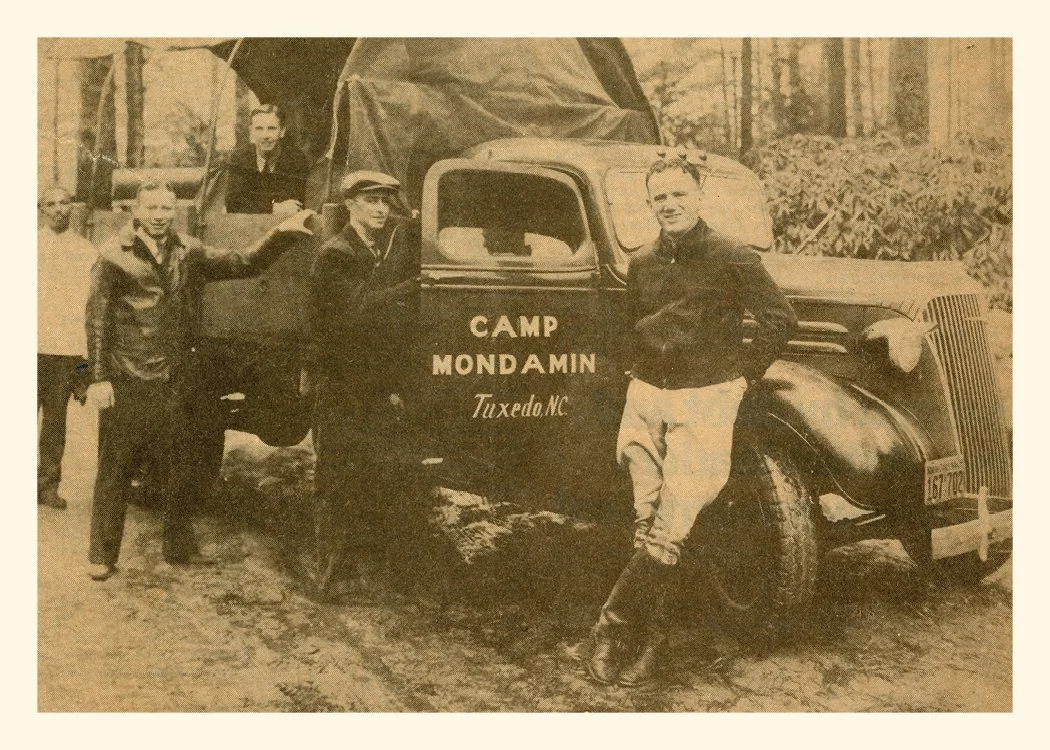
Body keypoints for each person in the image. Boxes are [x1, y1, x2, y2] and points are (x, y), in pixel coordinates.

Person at [585, 157, 798, 687]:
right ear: (649, 203)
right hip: (646, 398)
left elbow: (780, 318)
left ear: (699, 196)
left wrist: (740, 377)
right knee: (647, 524)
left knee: (670, 529)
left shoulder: (732, 256)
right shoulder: (642, 261)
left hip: (704, 401)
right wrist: (636, 378)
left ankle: (613, 630)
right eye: (660, 197)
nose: (670, 205)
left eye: (679, 194)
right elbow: (631, 327)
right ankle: (651, 637)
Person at [84, 180, 315, 581]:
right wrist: (100, 378)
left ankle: (177, 547)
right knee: (116, 468)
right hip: (131, 378)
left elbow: (243, 262)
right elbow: (97, 322)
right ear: (136, 211)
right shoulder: (112, 256)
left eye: (166, 209)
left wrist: (281, 233)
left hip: (177, 379)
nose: (159, 216)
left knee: (180, 466)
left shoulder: (188, 251)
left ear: (175, 211)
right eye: (152, 208)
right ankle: (102, 555)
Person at [304, 170, 420, 597]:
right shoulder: (337, 254)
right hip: (340, 386)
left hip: (369, 386)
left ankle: (362, 570)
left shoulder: (375, 250)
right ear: (350, 204)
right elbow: (357, 312)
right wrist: (412, 287)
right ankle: (331, 579)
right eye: (371, 200)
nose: (380, 209)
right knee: (336, 480)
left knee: (369, 476)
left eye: (385, 201)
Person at [38, 186, 97, 510]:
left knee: (55, 423)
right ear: (42, 210)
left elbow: (89, 307)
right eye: (51, 204)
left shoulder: (85, 250)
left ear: (72, 208)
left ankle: (47, 486)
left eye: (64, 203)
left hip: (64, 351)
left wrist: (84, 365)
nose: (59, 209)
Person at [225, 104, 309, 216]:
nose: (265, 136)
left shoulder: (296, 159)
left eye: (271, 128)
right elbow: (233, 204)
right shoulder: (239, 158)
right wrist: (272, 208)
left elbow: (293, 206)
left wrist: (254, 203)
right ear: (251, 131)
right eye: (259, 129)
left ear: (282, 131)